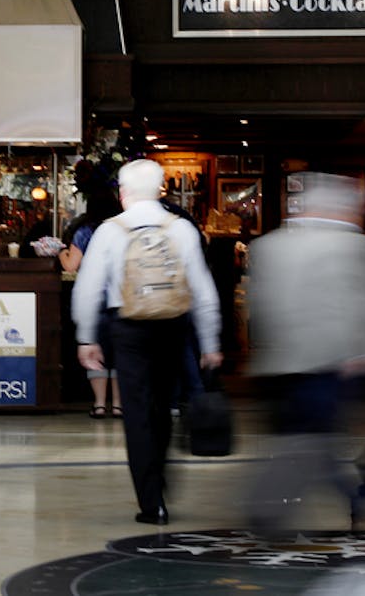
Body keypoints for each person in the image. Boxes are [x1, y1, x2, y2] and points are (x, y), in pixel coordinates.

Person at [71, 160, 221, 525]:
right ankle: (163, 476)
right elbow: (202, 289)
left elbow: (88, 287)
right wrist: (210, 341)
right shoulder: (182, 228)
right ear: (161, 189)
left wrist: (86, 337)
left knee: (136, 414)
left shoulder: (110, 230)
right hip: (172, 326)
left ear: (122, 193)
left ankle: (151, 502)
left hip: (129, 329)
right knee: (163, 409)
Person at [244, 173, 365, 533]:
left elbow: (260, 308)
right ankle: (358, 502)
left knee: (297, 440)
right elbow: (360, 305)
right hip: (327, 364)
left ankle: (270, 509)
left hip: (279, 365)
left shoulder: (269, 247)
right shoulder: (352, 248)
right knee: (318, 442)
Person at [59, 185, 123, 418]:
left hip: (94, 301)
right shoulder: (122, 230)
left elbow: (70, 265)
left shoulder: (85, 231)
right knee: (117, 354)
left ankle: (98, 404)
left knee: (96, 354)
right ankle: (117, 405)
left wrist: (59, 251)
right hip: (120, 300)